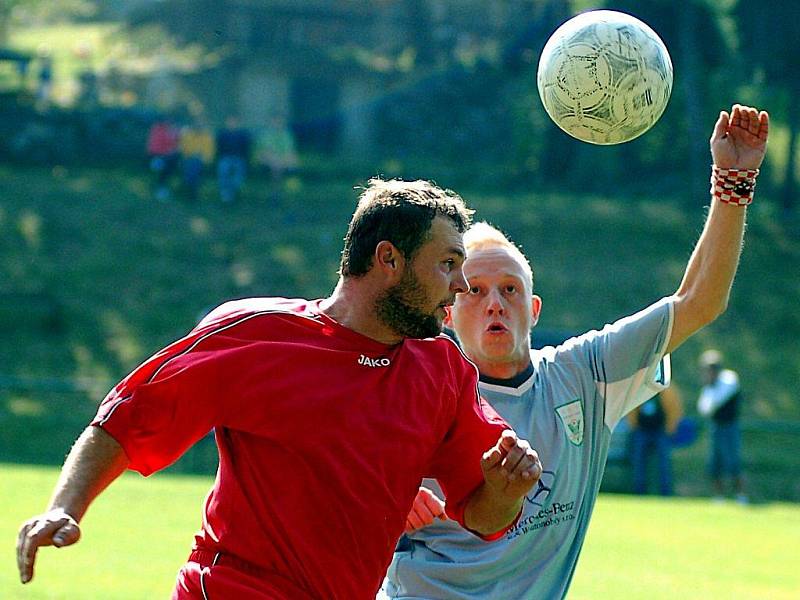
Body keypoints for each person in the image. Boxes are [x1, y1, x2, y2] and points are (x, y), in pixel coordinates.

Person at [16, 178, 544, 599]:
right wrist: (66, 507)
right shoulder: (255, 334)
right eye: (448, 263)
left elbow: (480, 513)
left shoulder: (443, 369)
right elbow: (128, 419)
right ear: (388, 260)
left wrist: (504, 489)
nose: (460, 284)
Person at [383, 103, 769, 600]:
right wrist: (387, 497)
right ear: (449, 313)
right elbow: (319, 475)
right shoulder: (405, 383)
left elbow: (699, 301)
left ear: (535, 309)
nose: (495, 303)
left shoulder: (584, 374)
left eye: (510, 289)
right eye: (474, 291)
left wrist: (732, 183)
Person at [697, 349, 747, 503]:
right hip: (716, 427)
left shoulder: (729, 379)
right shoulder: (709, 387)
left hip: (730, 427)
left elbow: (713, 404)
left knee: (733, 463)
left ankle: (741, 496)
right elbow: (703, 409)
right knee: (715, 464)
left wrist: (710, 388)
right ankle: (719, 497)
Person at [628, 386, 683, 496]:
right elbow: (631, 409)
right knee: (639, 463)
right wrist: (634, 427)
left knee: (664, 463)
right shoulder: (639, 386)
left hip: (660, 432)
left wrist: (670, 429)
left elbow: (675, 410)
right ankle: (639, 491)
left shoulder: (668, 388)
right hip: (642, 431)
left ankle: (665, 491)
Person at [215, 115, 252, 203]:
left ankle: (231, 191)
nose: (232, 123)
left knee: (239, 172)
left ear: (238, 123)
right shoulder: (222, 134)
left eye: (234, 122)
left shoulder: (243, 135)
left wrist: (246, 160)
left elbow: (246, 150)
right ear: (226, 123)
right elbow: (219, 149)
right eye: (230, 121)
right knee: (223, 169)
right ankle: (225, 192)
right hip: (225, 158)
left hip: (239, 159)